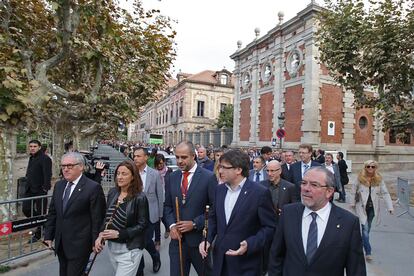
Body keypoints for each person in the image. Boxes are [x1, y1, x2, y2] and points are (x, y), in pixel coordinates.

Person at [268, 167, 366, 276]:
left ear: (329, 192)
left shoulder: (348, 223)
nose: (306, 188)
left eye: (314, 185)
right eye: (304, 183)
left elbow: (356, 270)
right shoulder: (288, 213)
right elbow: (276, 256)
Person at [199, 149, 276, 276]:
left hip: (245, 264)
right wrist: (206, 239)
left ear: (238, 170)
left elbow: (270, 227)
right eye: (220, 166)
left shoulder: (260, 193)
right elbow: (213, 219)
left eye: (224, 167)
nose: (220, 171)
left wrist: (250, 244)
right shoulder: (219, 190)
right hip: (220, 262)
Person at [44, 152, 106, 276]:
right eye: (63, 166)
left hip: (80, 245)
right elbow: (53, 213)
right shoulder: (59, 185)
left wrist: (97, 241)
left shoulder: (93, 188)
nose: (65, 169)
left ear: (81, 166)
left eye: (70, 166)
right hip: (61, 243)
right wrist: (48, 236)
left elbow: (97, 218)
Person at [164, 141, 217, 276]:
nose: (179, 161)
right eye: (177, 157)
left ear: (193, 156)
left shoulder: (208, 177)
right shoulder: (172, 177)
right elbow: (167, 206)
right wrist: (171, 226)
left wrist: (194, 224)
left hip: (199, 242)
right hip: (178, 243)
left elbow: (214, 209)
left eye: (184, 157)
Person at [95, 160, 149, 276]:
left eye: (124, 174)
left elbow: (143, 224)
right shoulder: (113, 192)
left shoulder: (140, 198)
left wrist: (120, 234)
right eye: (118, 173)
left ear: (133, 176)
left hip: (130, 249)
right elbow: (108, 217)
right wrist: (100, 235)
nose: (119, 177)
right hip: (112, 249)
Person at [349, 160, 394, 261]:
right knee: (365, 228)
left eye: (373, 167)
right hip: (361, 206)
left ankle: (362, 242)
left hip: (373, 208)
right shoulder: (360, 178)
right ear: (365, 167)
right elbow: (353, 191)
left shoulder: (378, 179)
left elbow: (385, 193)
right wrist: (352, 203)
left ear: (375, 168)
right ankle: (368, 252)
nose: (370, 168)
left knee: (367, 228)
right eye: (368, 166)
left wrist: (390, 207)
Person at [259, 160, 296, 275]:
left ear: (279, 171)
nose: (269, 173)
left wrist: (285, 213)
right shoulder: (261, 186)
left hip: (282, 228)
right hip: (264, 227)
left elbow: (295, 208)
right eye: (268, 171)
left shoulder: (290, 187)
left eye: (272, 171)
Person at [133, 147, 163, 275]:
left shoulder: (154, 174)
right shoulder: (131, 173)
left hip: (151, 214)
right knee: (136, 242)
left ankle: (156, 258)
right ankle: (140, 267)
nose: (135, 158)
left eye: (138, 156)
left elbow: (160, 195)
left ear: (146, 157)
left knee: (145, 240)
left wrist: (160, 215)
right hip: (133, 214)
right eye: (134, 156)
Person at [24, 139, 52, 243]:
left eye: (34, 146)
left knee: (41, 213)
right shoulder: (31, 158)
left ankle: (39, 234)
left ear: (39, 147)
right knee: (26, 209)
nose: (32, 148)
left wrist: (45, 188)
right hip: (29, 189)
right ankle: (44, 224)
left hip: (40, 190)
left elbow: (47, 174)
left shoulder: (45, 159)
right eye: (30, 146)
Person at [155, 154, 173, 240]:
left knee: (165, 216)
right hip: (157, 198)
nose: (159, 165)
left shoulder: (169, 171)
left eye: (161, 163)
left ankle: (167, 228)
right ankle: (157, 239)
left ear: (164, 162)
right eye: (158, 163)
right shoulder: (153, 173)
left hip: (167, 197)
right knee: (159, 217)